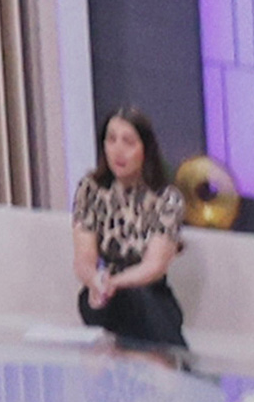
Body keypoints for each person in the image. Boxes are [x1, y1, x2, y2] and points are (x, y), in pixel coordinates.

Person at [69, 108, 192, 357]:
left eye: (128, 142)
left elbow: (154, 266)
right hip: (103, 297)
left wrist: (114, 283)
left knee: (142, 301)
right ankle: (180, 371)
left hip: (148, 292)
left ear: (145, 149)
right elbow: (84, 258)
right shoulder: (90, 189)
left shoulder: (167, 198)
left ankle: (158, 367)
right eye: (111, 139)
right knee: (98, 302)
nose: (118, 151)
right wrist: (96, 281)